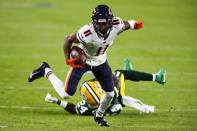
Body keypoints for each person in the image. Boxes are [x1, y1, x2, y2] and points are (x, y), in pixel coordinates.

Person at [29, 4, 144, 127]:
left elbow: (128, 24)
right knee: (65, 94)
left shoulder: (117, 25)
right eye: (99, 24)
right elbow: (68, 39)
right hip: (84, 61)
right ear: (94, 22)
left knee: (110, 94)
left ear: (110, 21)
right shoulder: (86, 32)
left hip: (100, 61)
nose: (102, 27)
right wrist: (68, 59)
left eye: (105, 23)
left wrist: (136, 24)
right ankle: (45, 70)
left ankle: (99, 116)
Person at [44, 59, 166, 116]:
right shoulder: (113, 102)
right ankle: (157, 77)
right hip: (116, 93)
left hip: (112, 97)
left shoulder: (87, 107)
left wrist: (57, 101)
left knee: (117, 75)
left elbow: (74, 109)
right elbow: (117, 104)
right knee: (120, 74)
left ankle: (129, 73)